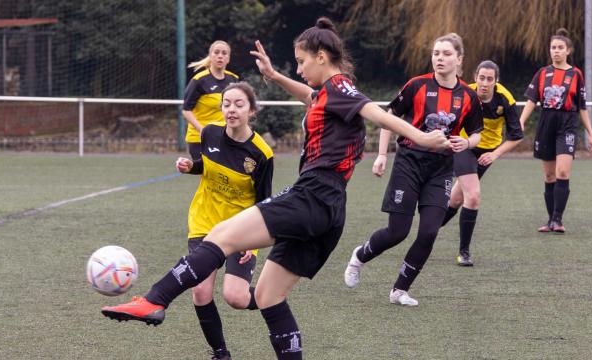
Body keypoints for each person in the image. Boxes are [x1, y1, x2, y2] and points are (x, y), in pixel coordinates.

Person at [101, 18, 448, 360]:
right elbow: (311, 97)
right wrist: (275, 76)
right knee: (267, 296)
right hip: (330, 209)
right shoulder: (327, 94)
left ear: (322, 57)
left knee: (221, 235)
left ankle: (154, 300)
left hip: (314, 194)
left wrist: (420, 137)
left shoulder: (341, 87)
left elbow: (375, 111)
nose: (299, 69)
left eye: (301, 61)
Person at [344, 33, 484, 306]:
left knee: (430, 231)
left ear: (459, 59)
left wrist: (466, 142)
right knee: (398, 231)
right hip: (409, 162)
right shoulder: (416, 86)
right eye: (436, 53)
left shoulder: (469, 96)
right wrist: (382, 155)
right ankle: (360, 256)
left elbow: (478, 133)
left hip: (441, 168)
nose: (439, 58)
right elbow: (388, 119)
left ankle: (399, 290)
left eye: (445, 53)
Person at [175, 82, 273, 360]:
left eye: (239, 104)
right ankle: (221, 354)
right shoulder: (209, 133)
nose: (231, 109)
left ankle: (271, 298)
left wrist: (252, 242)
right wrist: (190, 166)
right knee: (201, 291)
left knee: (236, 297)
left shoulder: (262, 154)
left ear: (251, 110)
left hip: (241, 229)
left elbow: (264, 203)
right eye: (227, 103)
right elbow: (206, 165)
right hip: (204, 221)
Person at [439, 60, 524, 266]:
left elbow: (516, 136)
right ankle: (464, 252)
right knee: (474, 196)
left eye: (490, 79)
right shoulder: (465, 93)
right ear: (475, 77)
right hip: (464, 146)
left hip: (488, 152)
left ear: (496, 81)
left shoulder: (505, 99)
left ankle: (427, 230)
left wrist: (495, 154)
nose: (485, 83)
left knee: (457, 199)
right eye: (481, 78)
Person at [519, 29, 592, 233]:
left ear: (568, 51)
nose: (556, 51)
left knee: (562, 171)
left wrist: (590, 132)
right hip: (546, 122)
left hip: (567, 123)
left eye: (560, 48)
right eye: (553, 47)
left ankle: (557, 220)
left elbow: (581, 106)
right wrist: (521, 121)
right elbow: (531, 100)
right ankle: (550, 220)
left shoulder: (576, 74)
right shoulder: (542, 73)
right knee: (549, 176)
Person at [182, 40, 239, 161]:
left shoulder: (233, 79)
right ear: (210, 56)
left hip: (223, 137)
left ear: (228, 58)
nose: (220, 56)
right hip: (199, 138)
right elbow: (186, 110)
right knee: (207, 176)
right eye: (216, 52)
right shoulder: (199, 80)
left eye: (224, 53)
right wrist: (203, 131)